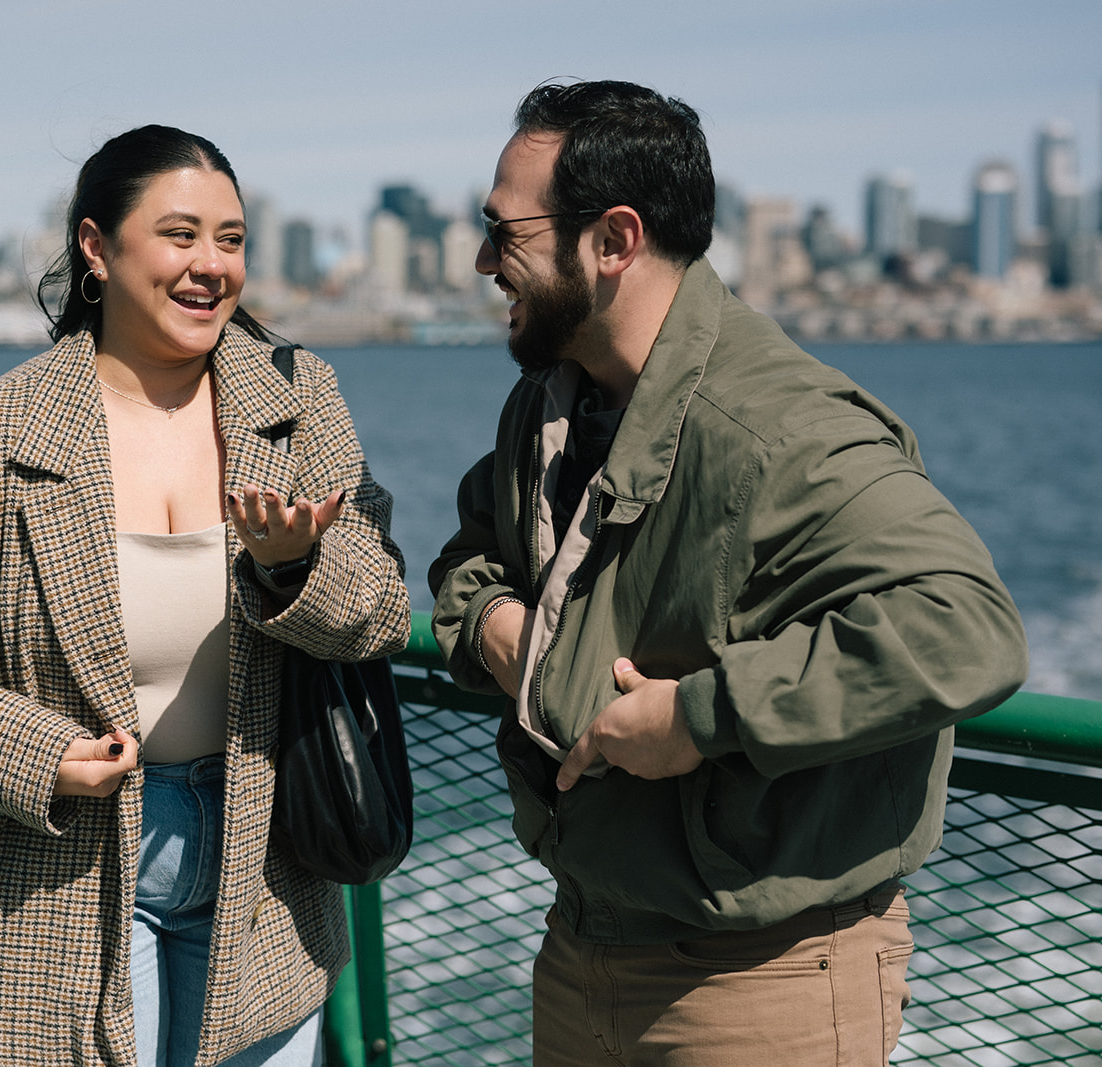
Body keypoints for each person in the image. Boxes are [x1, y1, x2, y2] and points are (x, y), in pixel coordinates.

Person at [428, 81, 1027, 1066]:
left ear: (613, 240)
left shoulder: (779, 427)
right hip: (580, 943)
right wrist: (498, 624)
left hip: (763, 983)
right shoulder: (548, 405)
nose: (486, 260)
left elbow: (966, 626)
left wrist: (696, 719)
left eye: (505, 231)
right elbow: (474, 556)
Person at [0, 124, 409, 1067]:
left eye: (231, 240)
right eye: (181, 234)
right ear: (98, 250)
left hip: (263, 858)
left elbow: (382, 608)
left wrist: (291, 569)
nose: (211, 266)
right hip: (48, 870)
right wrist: (43, 753)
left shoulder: (298, 395)